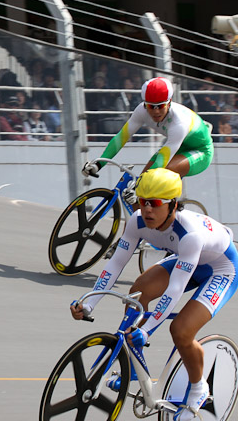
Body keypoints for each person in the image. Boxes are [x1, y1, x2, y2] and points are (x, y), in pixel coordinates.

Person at [70, 168, 238, 420]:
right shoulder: (136, 222)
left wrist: (147, 330)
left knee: (181, 330)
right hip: (187, 260)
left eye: (155, 203)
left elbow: (175, 289)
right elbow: (115, 264)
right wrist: (91, 303)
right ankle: (135, 367)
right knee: (138, 293)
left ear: (172, 205)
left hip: (220, 269)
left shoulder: (190, 234)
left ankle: (199, 387)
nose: (147, 210)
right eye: (142, 202)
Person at [82, 77, 214, 205]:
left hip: (200, 151)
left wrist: (139, 187)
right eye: (151, 106)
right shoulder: (141, 110)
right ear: (145, 104)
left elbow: (164, 157)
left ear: (169, 102)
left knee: (161, 173)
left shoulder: (179, 122)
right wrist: (99, 164)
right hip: (178, 146)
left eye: (161, 106)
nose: (156, 111)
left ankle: (169, 218)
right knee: (138, 191)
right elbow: (121, 138)